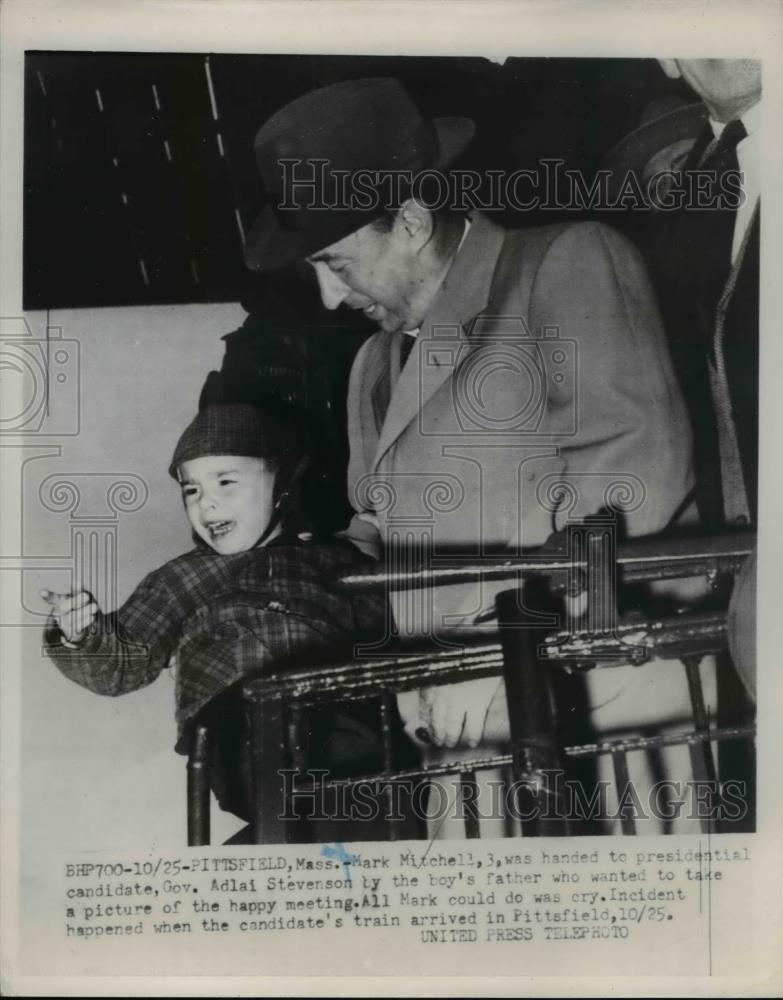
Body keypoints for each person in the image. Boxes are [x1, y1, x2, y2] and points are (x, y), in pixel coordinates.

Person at [244, 77, 714, 834]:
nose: (329, 299)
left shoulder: (562, 264)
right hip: (452, 717)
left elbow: (630, 486)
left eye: (335, 263)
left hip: (591, 701)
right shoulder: (373, 364)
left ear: (409, 220)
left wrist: (503, 654)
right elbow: (381, 523)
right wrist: (301, 575)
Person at [41, 403, 388, 832]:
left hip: (337, 709)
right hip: (236, 724)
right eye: (192, 490)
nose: (207, 503)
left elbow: (389, 632)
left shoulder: (332, 561)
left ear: (281, 483)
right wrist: (81, 637)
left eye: (226, 482)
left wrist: (371, 540)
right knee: (300, 784)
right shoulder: (181, 577)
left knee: (367, 774)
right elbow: (122, 663)